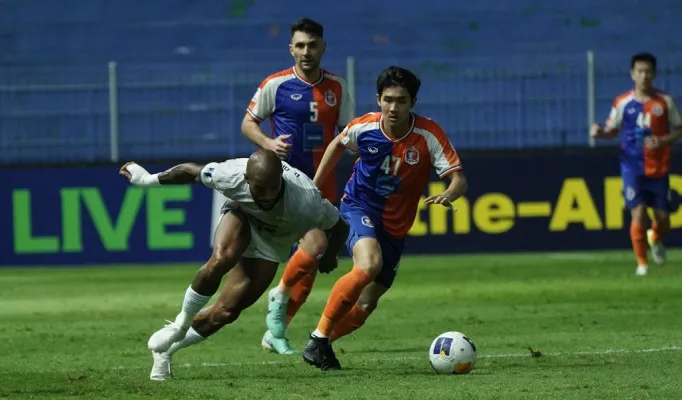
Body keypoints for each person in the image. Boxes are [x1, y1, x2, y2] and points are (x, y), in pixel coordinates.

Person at [118, 149, 349, 380]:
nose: (268, 195)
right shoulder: (231, 174)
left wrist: (330, 256)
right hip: (242, 215)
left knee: (226, 312)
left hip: (273, 242)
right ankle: (180, 325)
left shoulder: (306, 199)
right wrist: (148, 180)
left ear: (281, 177)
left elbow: (340, 227)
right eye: (259, 188)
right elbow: (189, 172)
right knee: (222, 257)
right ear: (247, 180)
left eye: (273, 187)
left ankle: (166, 351)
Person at [300, 66, 468, 370]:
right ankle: (318, 336)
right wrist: (314, 188)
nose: (394, 107)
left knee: (365, 304)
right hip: (358, 206)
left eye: (401, 100)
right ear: (378, 99)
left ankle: (321, 343)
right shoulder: (363, 127)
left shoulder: (428, 134)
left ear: (412, 102)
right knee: (369, 264)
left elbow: (458, 179)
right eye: (388, 99)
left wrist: (449, 194)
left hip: (396, 226)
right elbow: (338, 144)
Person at [241, 17, 354, 354]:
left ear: (323, 47)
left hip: (324, 185)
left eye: (312, 45)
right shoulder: (275, 85)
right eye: (300, 45)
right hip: (287, 185)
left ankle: (275, 333)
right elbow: (248, 123)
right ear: (291, 48)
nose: (306, 51)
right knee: (317, 246)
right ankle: (277, 295)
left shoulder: (338, 87)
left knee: (312, 266)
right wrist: (268, 143)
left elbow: (347, 133)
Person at [591, 52, 682, 276]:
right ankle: (642, 264)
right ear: (632, 75)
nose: (644, 76)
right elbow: (612, 130)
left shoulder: (665, 101)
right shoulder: (623, 102)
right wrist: (600, 133)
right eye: (640, 71)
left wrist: (662, 140)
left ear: (654, 74)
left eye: (648, 71)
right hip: (632, 166)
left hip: (658, 167)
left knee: (663, 219)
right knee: (638, 213)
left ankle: (656, 238)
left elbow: (679, 128)